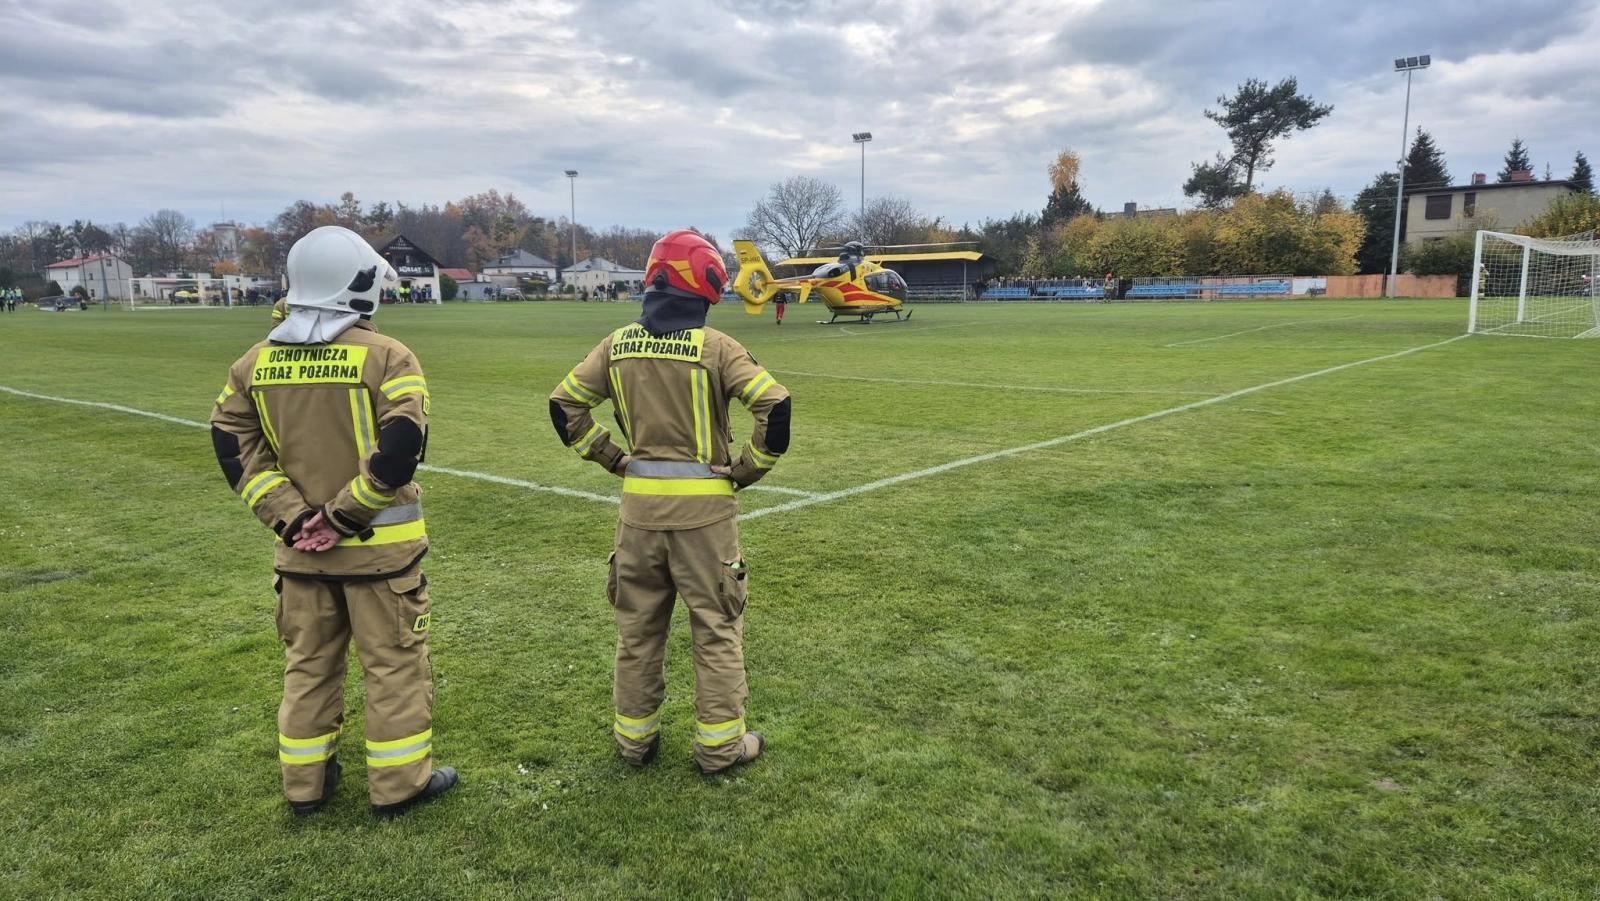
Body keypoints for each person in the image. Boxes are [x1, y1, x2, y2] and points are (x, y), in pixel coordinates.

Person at [210, 225, 457, 818]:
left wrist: (293, 520)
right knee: (393, 668)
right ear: (361, 283)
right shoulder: (389, 356)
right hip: (382, 557)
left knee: (308, 669)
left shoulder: (253, 364)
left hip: (300, 558)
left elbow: (231, 447)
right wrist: (343, 517)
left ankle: (305, 786)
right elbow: (400, 452)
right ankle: (400, 786)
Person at [549, 229, 791, 775]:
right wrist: (746, 471)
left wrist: (612, 458)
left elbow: (564, 405)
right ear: (703, 287)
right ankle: (720, 749)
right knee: (716, 629)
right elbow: (775, 409)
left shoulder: (617, 345)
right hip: (705, 521)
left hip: (637, 517)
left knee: (637, 632)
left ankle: (635, 743)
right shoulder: (717, 348)